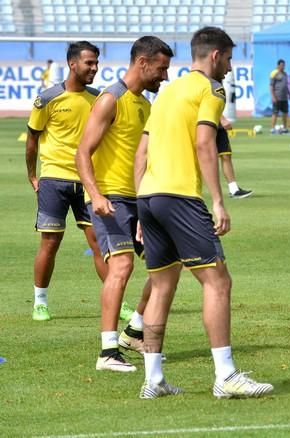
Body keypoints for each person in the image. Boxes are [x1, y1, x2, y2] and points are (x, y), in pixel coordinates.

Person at [134, 26, 273, 399]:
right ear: (215, 56)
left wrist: (139, 206)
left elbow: (142, 153)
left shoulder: (167, 92)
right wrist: (218, 200)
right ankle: (225, 375)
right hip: (180, 196)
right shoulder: (211, 90)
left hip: (149, 197)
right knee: (218, 282)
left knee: (162, 287)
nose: (229, 67)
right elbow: (204, 142)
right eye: (228, 58)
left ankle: (154, 379)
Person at [76, 36, 174, 372]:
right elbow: (82, 152)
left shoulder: (145, 106)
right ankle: (107, 352)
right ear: (142, 63)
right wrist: (97, 195)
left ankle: (133, 331)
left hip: (140, 198)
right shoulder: (110, 100)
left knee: (168, 263)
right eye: (161, 69)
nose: (164, 76)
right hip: (110, 198)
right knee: (122, 267)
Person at [25, 41, 106, 322]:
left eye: (96, 63)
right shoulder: (47, 99)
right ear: (73, 64)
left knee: (98, 242)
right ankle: (40, 302)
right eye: (89, 63)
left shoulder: (98, 99)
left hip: (88, 181)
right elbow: (32, 139)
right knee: (50, 242)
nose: (94, 68)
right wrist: (32, 175)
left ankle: (115, 300)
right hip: (54, 179)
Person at [217, 117, 253, 199]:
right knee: (204, 157)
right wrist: (222, 118)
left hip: (217, 124)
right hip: (205, 123)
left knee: (226, 155)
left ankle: (234, 189)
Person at [269, 59, 290, 134]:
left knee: (285, 113)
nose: (283, 67)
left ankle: (285, 128)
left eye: (284, 65)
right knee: (275, 113)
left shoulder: (285, 74)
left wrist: (289, 93)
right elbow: (271, 86)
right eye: (282, 65)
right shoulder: (274, 73)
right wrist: (273, 96)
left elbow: (285, 85)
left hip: (284, 97)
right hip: (277, 97)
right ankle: (272, 128)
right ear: (278, 65)